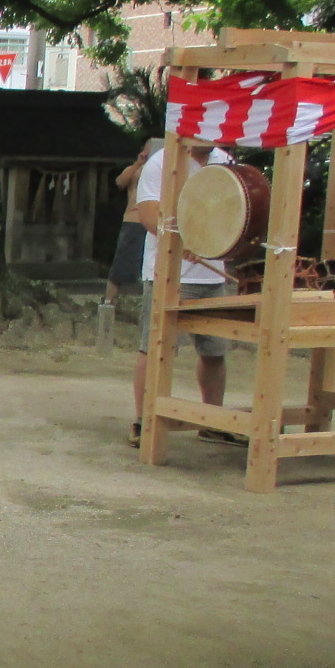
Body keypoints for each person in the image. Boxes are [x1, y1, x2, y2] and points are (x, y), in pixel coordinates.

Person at [131, 139, 240, 446]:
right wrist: (185, 239)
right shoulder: (162, 162)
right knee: (155, 347)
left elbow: (234, 210)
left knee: (215, 349)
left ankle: (212, 419)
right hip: (168, 272)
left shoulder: (225, 161)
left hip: (211, 271)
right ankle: (143, 420)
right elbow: (149, 214)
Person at [106, 139, 159, 308]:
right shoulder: (137, 169)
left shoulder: (165, 167)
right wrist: (138, 163)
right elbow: (120, 182)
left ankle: (146, 301)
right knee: (122, 261)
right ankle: (109, 300)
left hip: (156, 220)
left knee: (151, 264)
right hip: (134, 219)